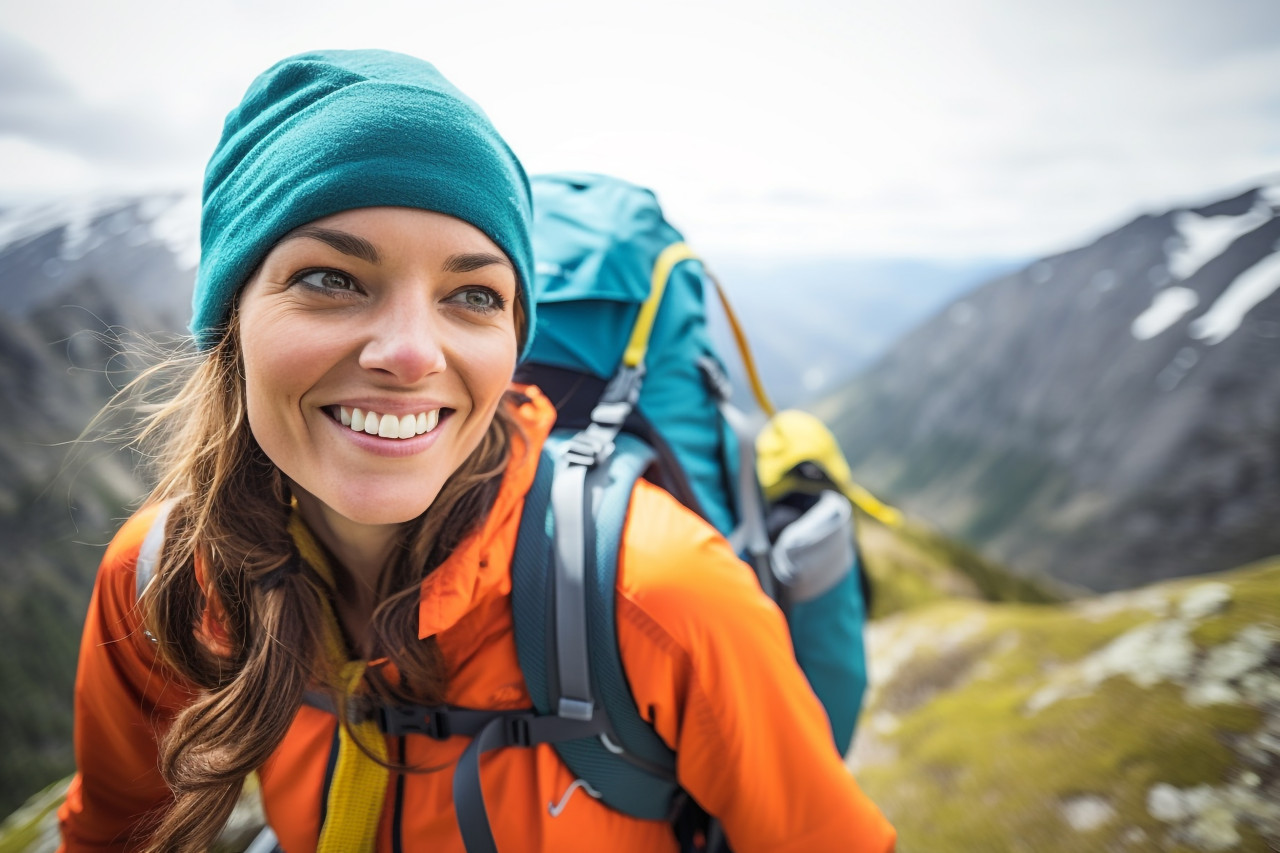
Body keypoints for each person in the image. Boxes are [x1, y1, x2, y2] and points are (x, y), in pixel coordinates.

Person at [57, 49, 896, 853]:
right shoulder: (166, 576)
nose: (414, 353)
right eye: (332, 278)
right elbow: (113, 832)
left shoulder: (663, 597)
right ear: (229, 319)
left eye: (472, 294)